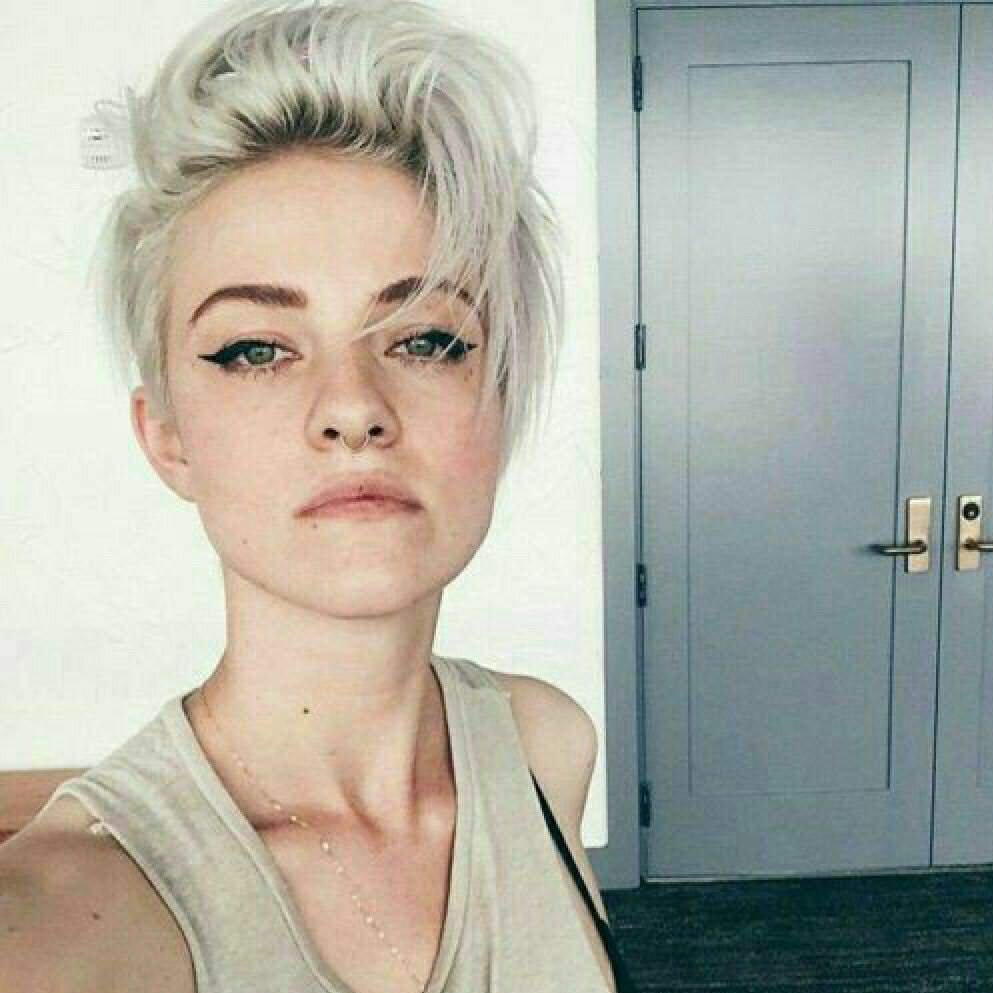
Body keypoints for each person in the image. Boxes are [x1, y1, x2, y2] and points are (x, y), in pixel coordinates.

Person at [0, 2, 638, 991]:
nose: (353, 407)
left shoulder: (542, 741)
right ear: (166, 437)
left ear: (499, 399)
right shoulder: (58, 921)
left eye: (426, 339)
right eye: (256, 349)